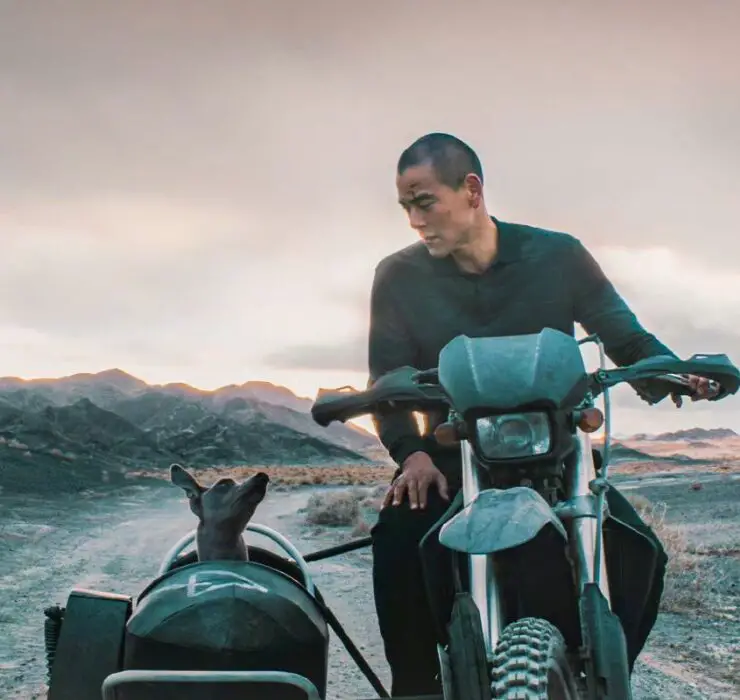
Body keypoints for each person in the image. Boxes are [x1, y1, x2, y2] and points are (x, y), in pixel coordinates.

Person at [368, 132, 718, 696]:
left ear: (471, 190)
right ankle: (416, 689)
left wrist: (676, 372)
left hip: (556, 451)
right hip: (453, 454)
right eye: (405, 206)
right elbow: (386, 380)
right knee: (398, 540)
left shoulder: (558, 255)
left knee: (638, 551)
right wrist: (410, 454)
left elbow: (626, 338)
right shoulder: (397, 276)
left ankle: (602, 679)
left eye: (424, 201)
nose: (414, 220)